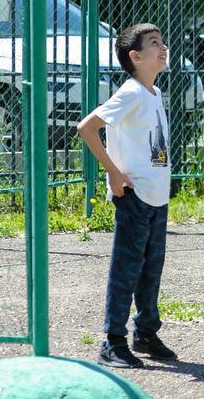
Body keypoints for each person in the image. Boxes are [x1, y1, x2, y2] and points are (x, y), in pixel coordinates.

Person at [77, 23, 179, 368]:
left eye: (162, 41)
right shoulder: (132, 92)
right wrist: (113, 171)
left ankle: (146, 334)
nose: (163, 47)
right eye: (154, 44)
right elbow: (87, 128)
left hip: (156, 196)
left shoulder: (155, 92)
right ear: (135, 57)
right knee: (127, 268)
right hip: (134, 197)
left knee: (152, 269)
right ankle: (113, 341)